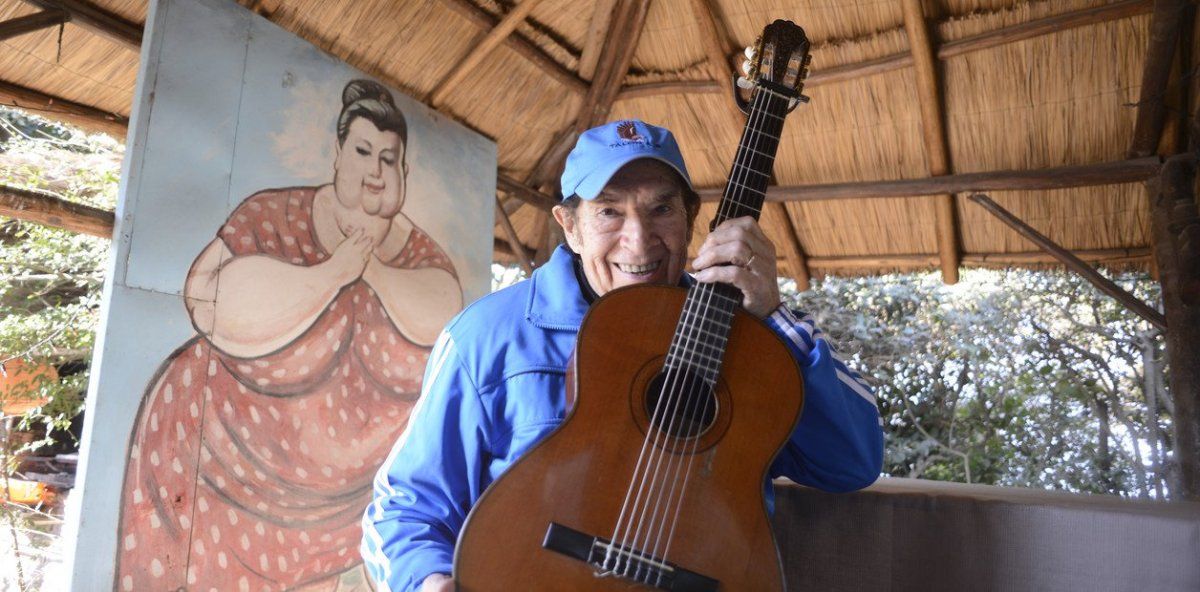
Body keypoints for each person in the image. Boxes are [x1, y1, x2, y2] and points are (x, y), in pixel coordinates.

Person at [361, 120, 882, 592]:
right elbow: (403, 507)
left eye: (661, 209)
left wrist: (774, 318)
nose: (639, 242)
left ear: (690, 217)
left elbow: (853, 463)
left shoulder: (750, 340)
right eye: (609, 211)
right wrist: (428, 583)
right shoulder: (486, 337)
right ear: (570, 225)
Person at [116, 79, 461, 591]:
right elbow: (203, 295)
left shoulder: (424, 257)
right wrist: (331, 273)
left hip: (354, 489)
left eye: (389, 159)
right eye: (364, 152)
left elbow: (446, 314)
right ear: (338, 156)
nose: (376, 171)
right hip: (230, 457)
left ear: (404, 171)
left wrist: (373, 272)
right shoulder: (274, 215)